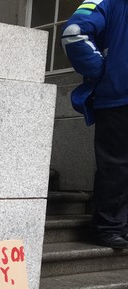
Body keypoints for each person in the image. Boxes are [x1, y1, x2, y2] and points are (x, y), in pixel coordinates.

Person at [62, 0, 128, 249]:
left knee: (118, 166)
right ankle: (108, 226)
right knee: (116, 166)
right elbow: (74, 33)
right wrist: (103, 72)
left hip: (117, 95)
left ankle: (116, 225)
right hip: (116, 98)